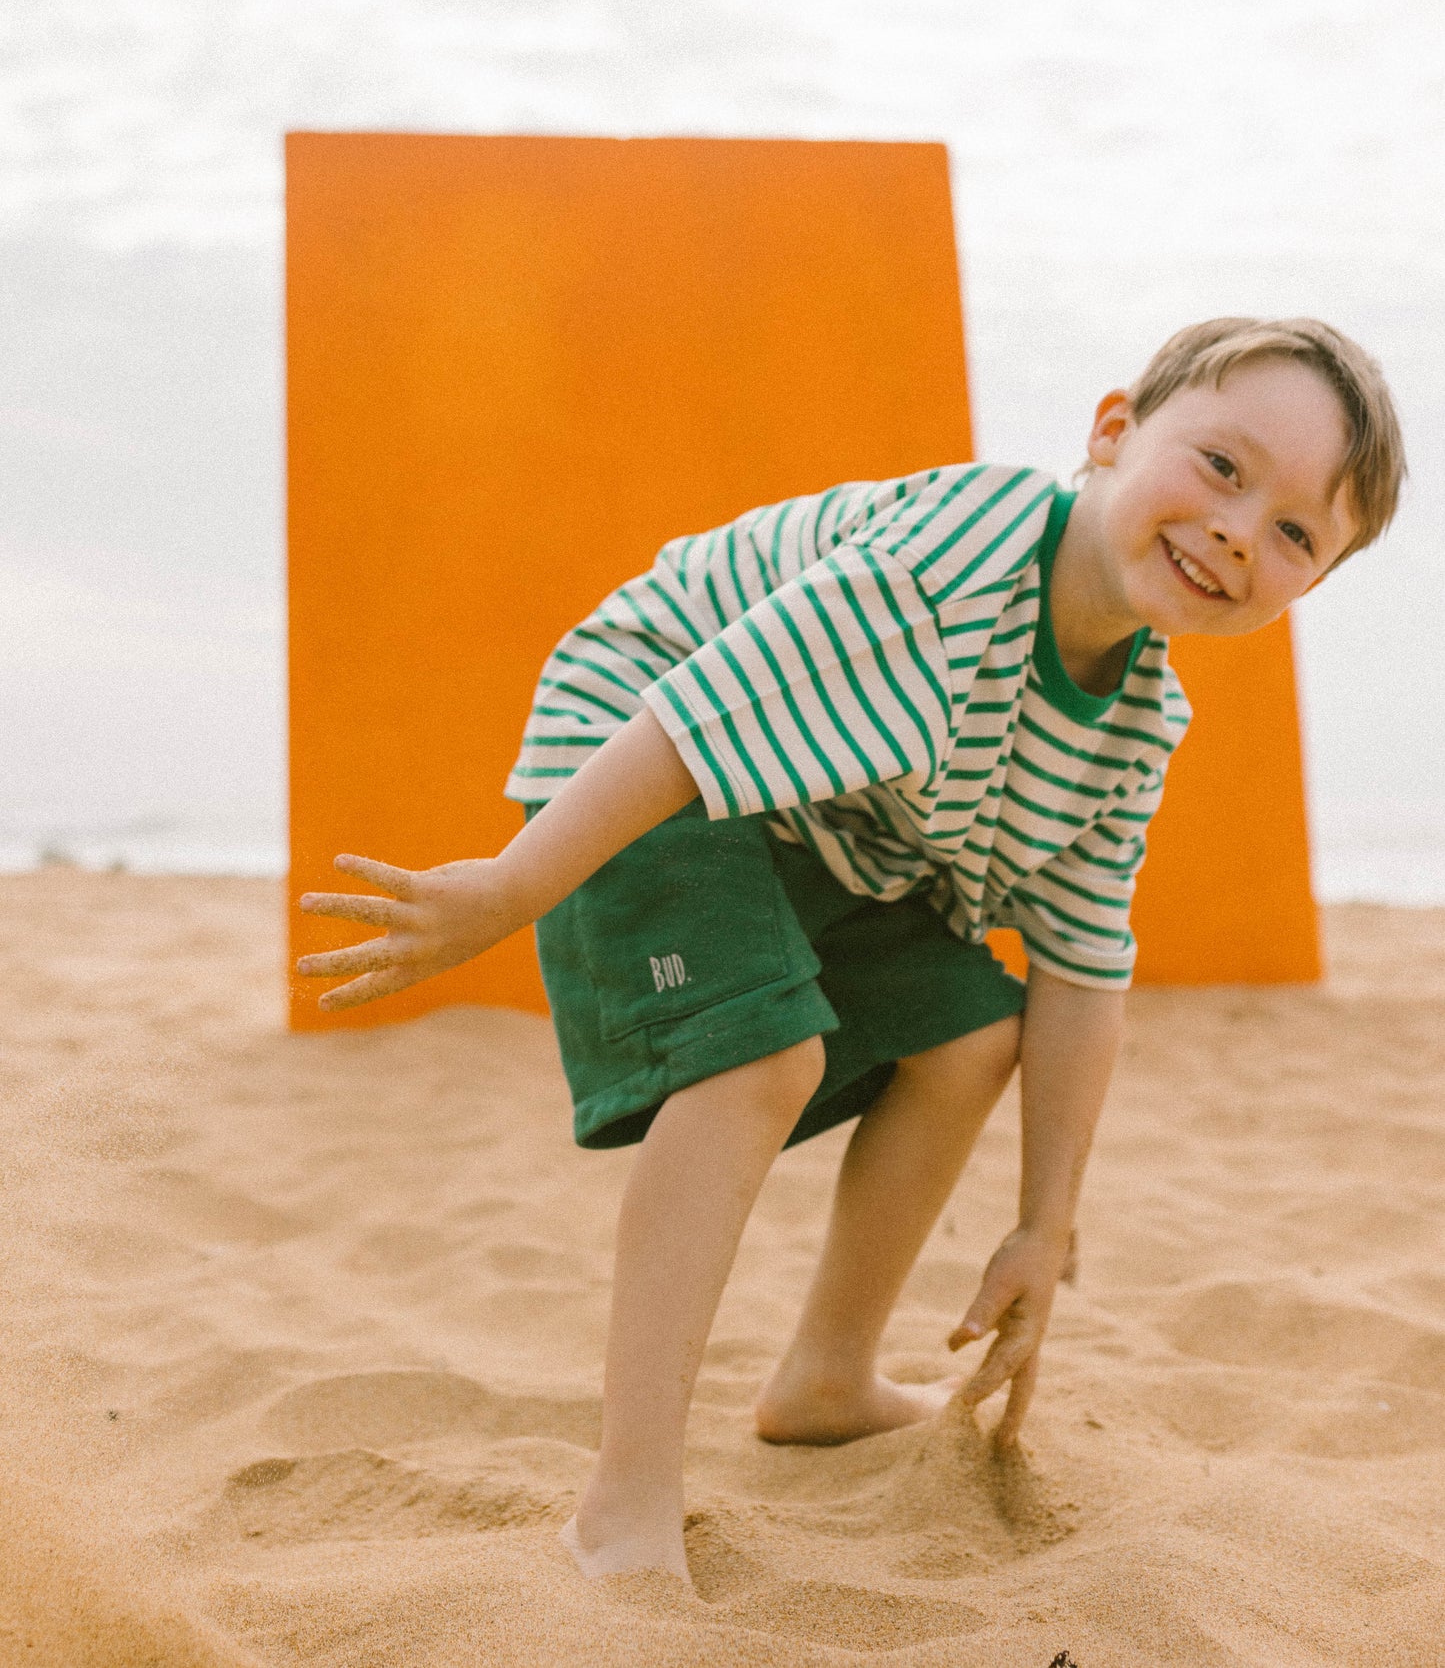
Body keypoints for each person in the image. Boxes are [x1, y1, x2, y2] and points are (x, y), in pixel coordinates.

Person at [297, 315, 1404, 1585]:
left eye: (1292, 534)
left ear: (1306, 589)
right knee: (759, 1058)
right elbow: (701, 716)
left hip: (825, 827)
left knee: (970, 1034)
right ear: (1111, 433)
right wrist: (511, 882)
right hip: (640, 741)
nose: (1235, 531)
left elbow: (1083, 972)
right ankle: (623, 1501)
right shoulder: (955, 561)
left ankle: (824, 1373)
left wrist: (1045, 1224)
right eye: (1220, 467)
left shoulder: (1136, 718)